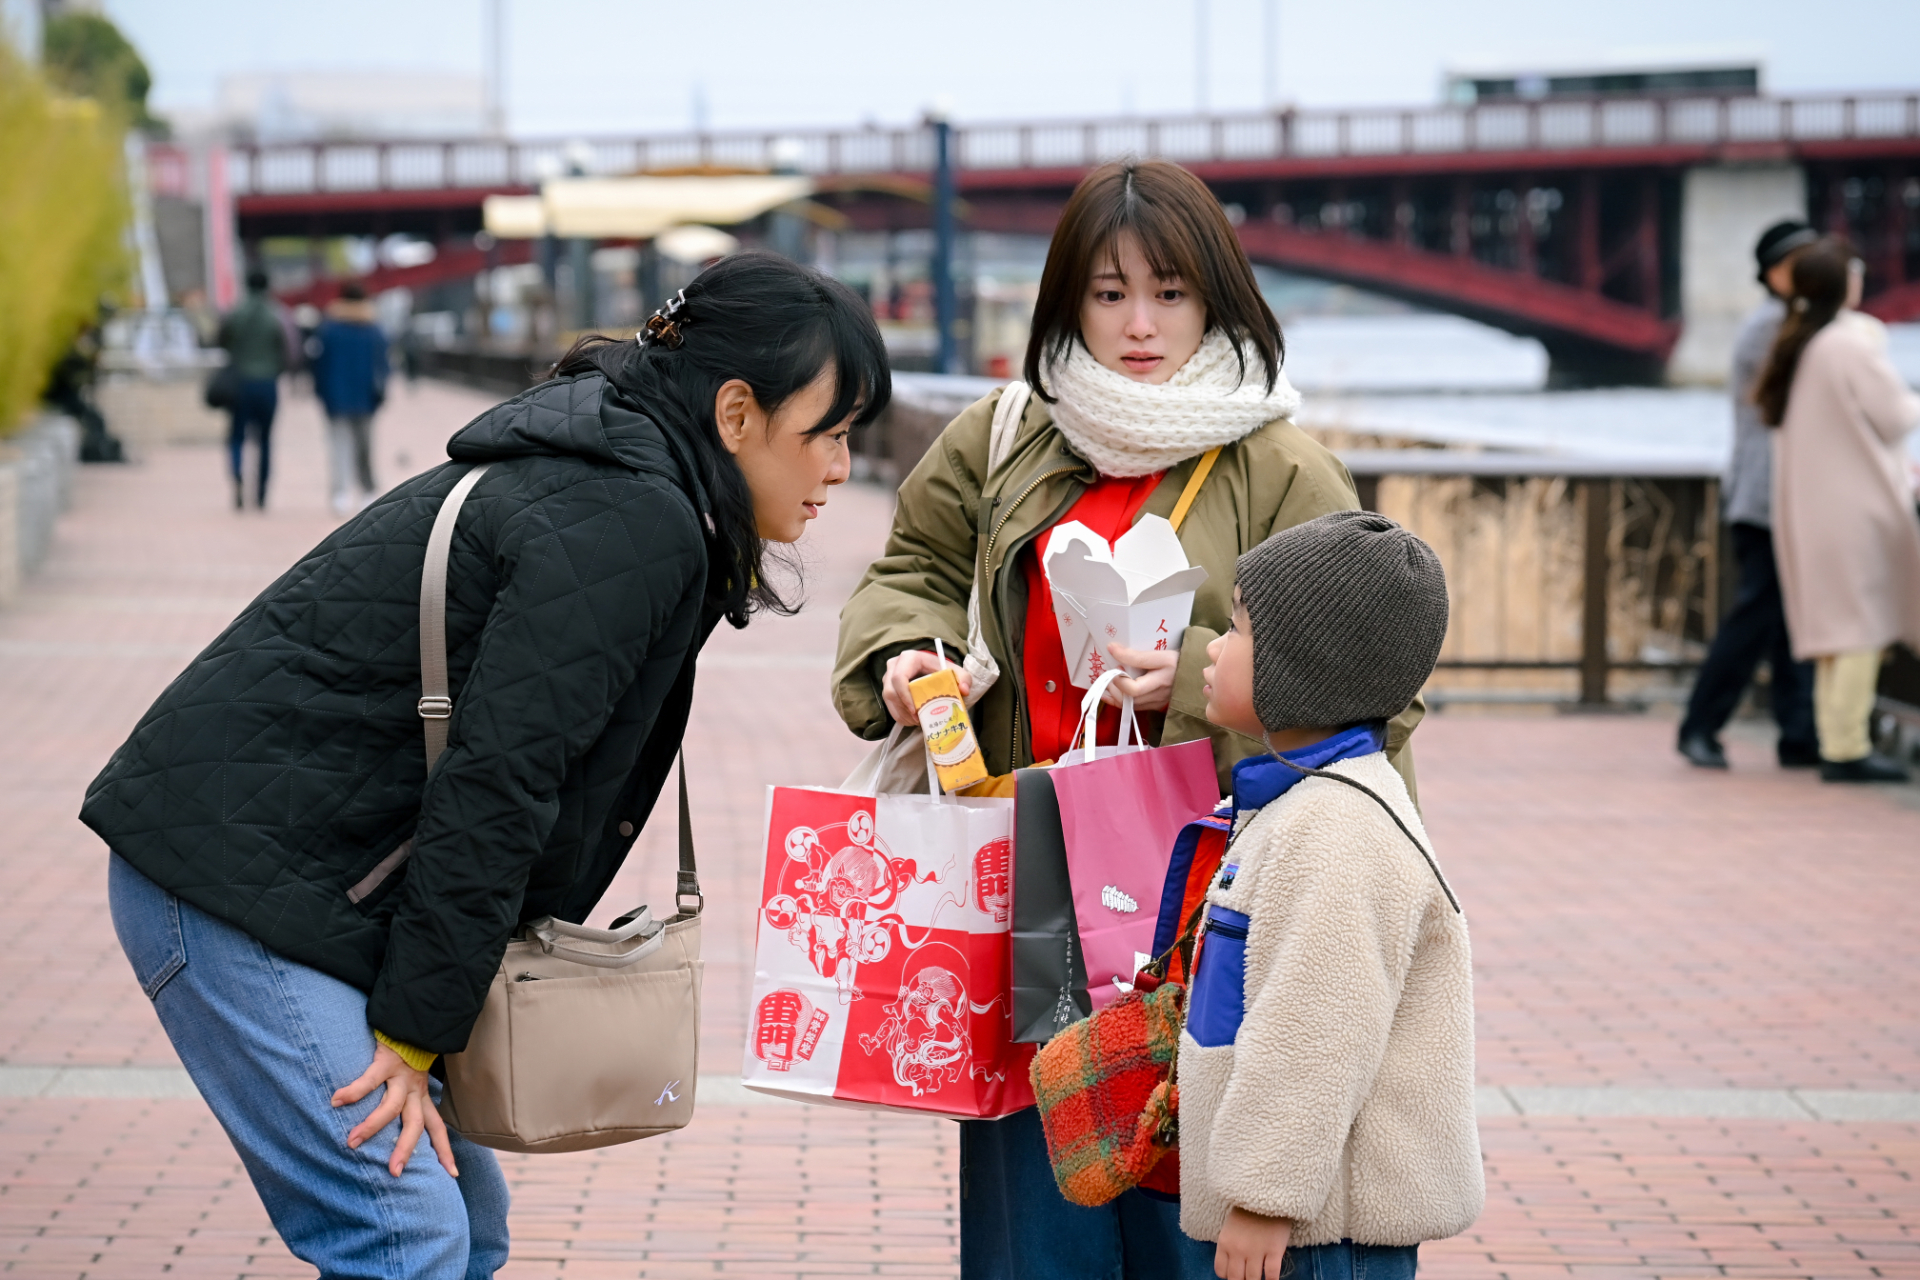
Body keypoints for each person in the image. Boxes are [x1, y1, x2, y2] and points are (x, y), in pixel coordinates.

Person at [82, 252, 890, 1278]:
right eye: (828, 431)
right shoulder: (628, 519)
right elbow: (498, 781)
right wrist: (416, 1032)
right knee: (406, 1233)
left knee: (471, 1232)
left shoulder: (626, 483)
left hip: (287, 872)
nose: (841, 466)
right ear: (737, 413)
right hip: (226, 883)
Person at [833, 159, 1425, 1280]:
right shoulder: (1004, 435)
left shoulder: (1281, 465)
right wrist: (906, 656)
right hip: (1028, 886)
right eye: (1108, 294)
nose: (1139, 324)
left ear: (1218, 300)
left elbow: (1378, 700)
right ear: (1066, 300)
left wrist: (1199, 677)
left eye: (1170, 292)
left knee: (1187, 1205)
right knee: (1035, 1223)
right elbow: (910, 567)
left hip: (1203, 911)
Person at [1180, 510, 1481, 1280]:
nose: (1213, 646)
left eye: (1239, 627)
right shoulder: (1306, 800)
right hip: (1307, 1221)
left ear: (1305, 665)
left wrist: (1263, 1198)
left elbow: (1317, 1027)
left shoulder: (1340, 825)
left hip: (1322, 1234)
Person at [1758, 236, 1920, 783]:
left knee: (1836, 632)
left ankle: (1836, 739)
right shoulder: (1847, 346)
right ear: (1842, 285)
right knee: (1861, 630)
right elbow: (1896, 418)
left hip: (1815, 509)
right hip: (1858, 509)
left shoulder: (1799, 344)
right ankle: (1847, 747)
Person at [1676, 221, 1821, 770]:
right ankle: (1699, 725)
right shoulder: (1772, 329)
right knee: (1755, 618)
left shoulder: (1784, 324)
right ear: (1776, 273)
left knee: (1786, 621)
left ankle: (1798, 734)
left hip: (1777, 496)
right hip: (1766, 499)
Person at [309, 281, 392, 514]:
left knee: (338, 447)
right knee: (365, 447)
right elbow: (384, 366)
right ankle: (367, 490)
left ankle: (340, 493)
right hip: (367, 397)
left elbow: (318, 365)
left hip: (335, 397)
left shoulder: (328, 329)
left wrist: (320, 392)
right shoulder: (374, 329)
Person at [217, 268, 291, 510]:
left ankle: (237, 475)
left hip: (240, 383)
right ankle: (261, 493)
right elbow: (289, 350)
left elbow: (221, 341)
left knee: (237, 436)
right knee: (266, 440)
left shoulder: (235, 312)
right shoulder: (277, 314)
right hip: (267, 383)